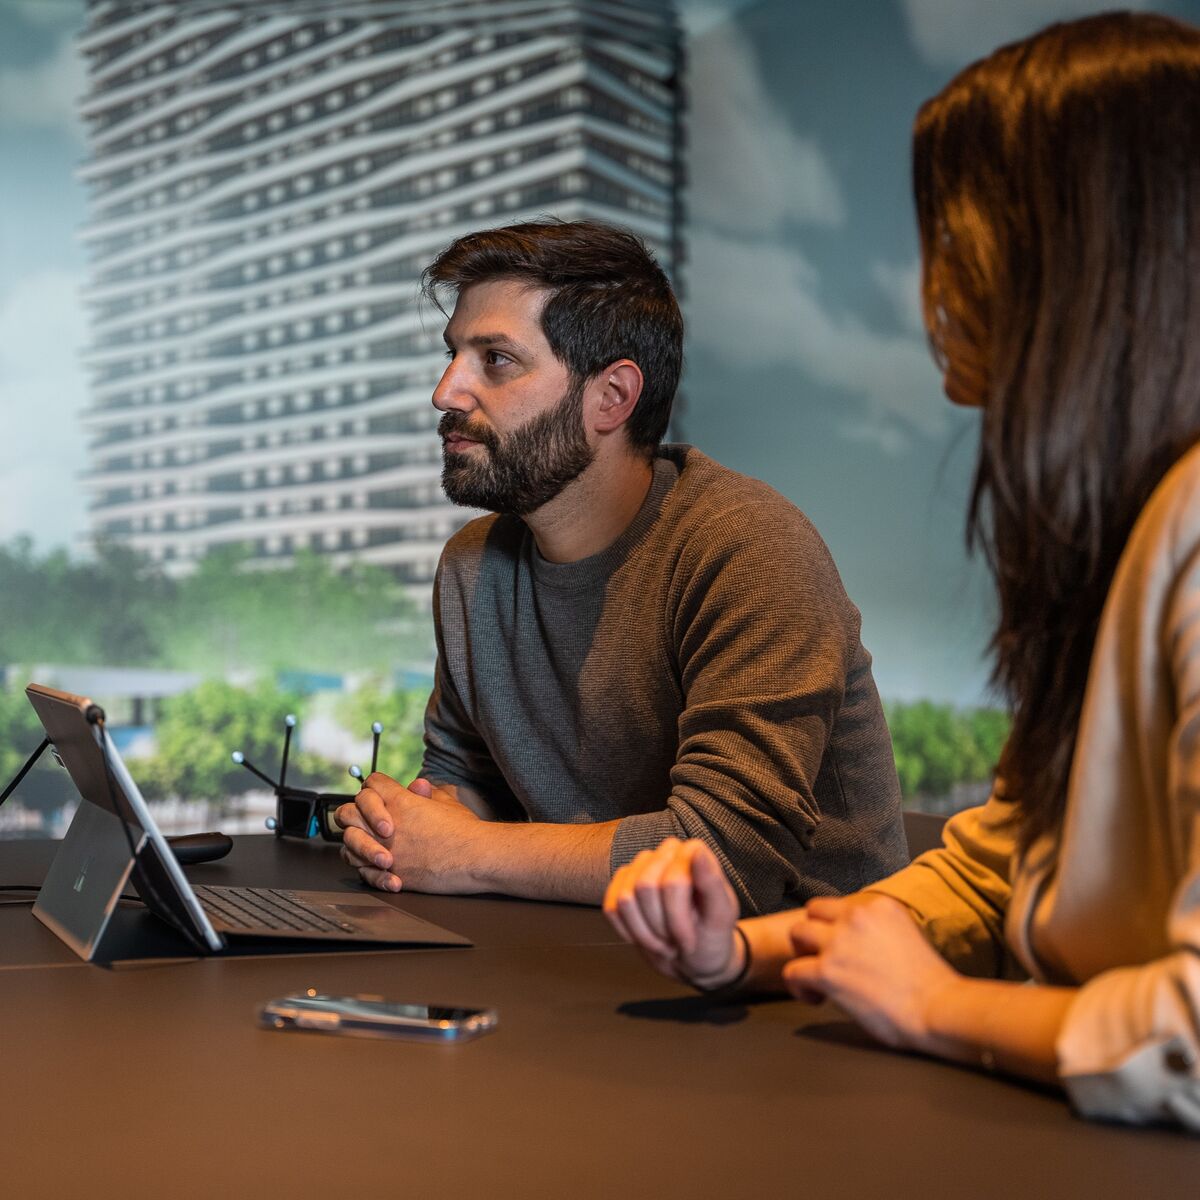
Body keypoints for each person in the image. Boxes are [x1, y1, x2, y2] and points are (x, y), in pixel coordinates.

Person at [604, 12, 1200, 1130]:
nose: (936, 283)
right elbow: (998, 872)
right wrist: (740, 952)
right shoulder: (1127, 530)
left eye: (959, 229)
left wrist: (935, 1010)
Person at [336, 219, 906, 912]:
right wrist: (400, 827)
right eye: (454, 354)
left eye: (496, 360)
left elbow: (725, 858)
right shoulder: (472, 567)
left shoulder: (747, 547)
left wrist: (464, 850)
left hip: (790, 983)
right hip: (572, 958)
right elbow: (464, 783)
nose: (446, 392)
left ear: (612, 398)